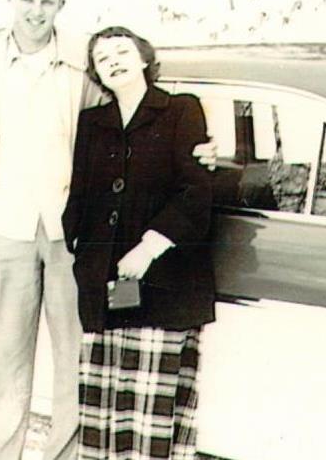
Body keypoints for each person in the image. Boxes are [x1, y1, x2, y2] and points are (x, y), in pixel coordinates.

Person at [0, 0, 214, 460]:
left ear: (61, 5)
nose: (36, 10)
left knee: (75, 361)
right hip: (5, 227)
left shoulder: (81, 63)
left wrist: (203, 151)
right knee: (3, 362)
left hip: (67, 235)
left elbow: (130, 118)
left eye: (47, 1)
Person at [62, 26, 215, 460]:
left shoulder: (181, 110)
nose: (114, 61)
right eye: (103, 58)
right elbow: (80, 195)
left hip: (165, 283)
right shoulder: (92, 124)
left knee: (152, 424)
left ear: (144, 58)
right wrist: (82, 249)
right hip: (105, 289)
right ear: (96, 74)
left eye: (122, 51)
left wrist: (149, 247)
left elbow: (195, 190)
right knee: (105, 417)